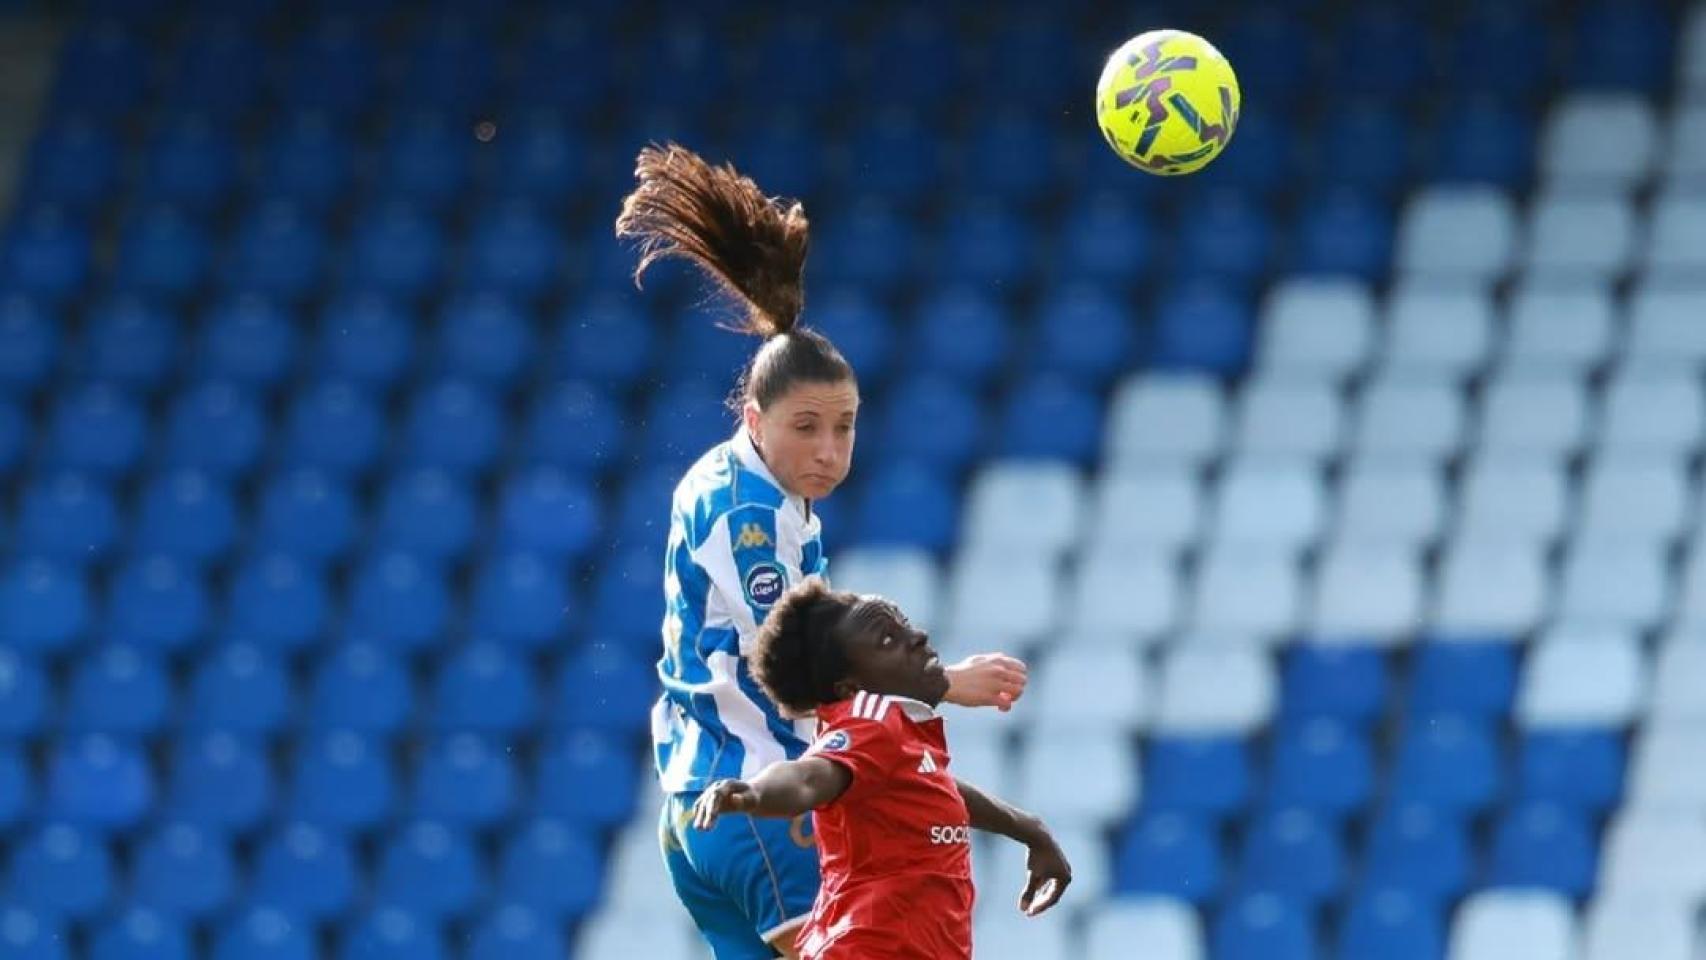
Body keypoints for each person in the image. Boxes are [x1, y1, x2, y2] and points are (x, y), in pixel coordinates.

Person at [615, 142, 1030, 960]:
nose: (830, 451)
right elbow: (801, 667)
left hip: (698, 811)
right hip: (764, 802)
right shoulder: (753, 522)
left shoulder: (735, 477)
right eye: (807, 427)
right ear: (755, 415)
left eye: (844, 426)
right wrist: (946, 685)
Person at [692, 579, 1073, 959]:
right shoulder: (869, 722)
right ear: (850, 686)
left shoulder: (897, 736)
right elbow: (811, 777)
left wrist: (1028, 829)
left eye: (904, 624)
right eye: (888, 641)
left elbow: (932, 788)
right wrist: (754, 793)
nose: (918, 637)